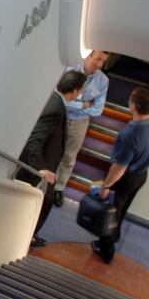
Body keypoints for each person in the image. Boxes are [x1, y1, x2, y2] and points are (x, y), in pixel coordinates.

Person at [16, 70, 87, 248]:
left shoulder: (53, 100)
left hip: (43, 166)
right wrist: (41, 168)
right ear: (75, 91)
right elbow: (35, 139)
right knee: (42, 203)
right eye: (80, 91)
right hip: (40, 168)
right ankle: (25, 238)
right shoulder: (56, 108)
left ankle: (27, 236)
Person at [93, 87, 149, 263]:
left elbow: (119, 168)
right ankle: (113, 238)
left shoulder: (130, 134)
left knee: (113, 212)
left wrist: (106, 186)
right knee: (121, 210)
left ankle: (106, 249)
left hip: (125, 179)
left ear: (133, 106)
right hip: (141, 176)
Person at [54, 50, 110, 207]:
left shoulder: (102, 80)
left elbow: (97, 110)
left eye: (103, 61)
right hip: (59, 114)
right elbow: (57, 96)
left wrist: (71, 104)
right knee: (51, 148)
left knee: (69, 156)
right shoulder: (68, 67)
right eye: (97, 58)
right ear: (88, 55)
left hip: (79, 122)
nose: (99, 64)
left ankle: (58, 187)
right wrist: (82, 104)